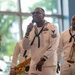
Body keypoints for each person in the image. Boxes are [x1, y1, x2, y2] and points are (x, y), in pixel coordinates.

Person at [22, 7, 59, 75]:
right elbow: (25, 47)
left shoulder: (52, 27)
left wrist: (43, 59)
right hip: (34, 65)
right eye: (34, 13)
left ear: (44, 15)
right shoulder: (31, 29)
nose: (35, 15)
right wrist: (27, 33)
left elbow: (53, 45)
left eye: (38, 13)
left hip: (48, 65)